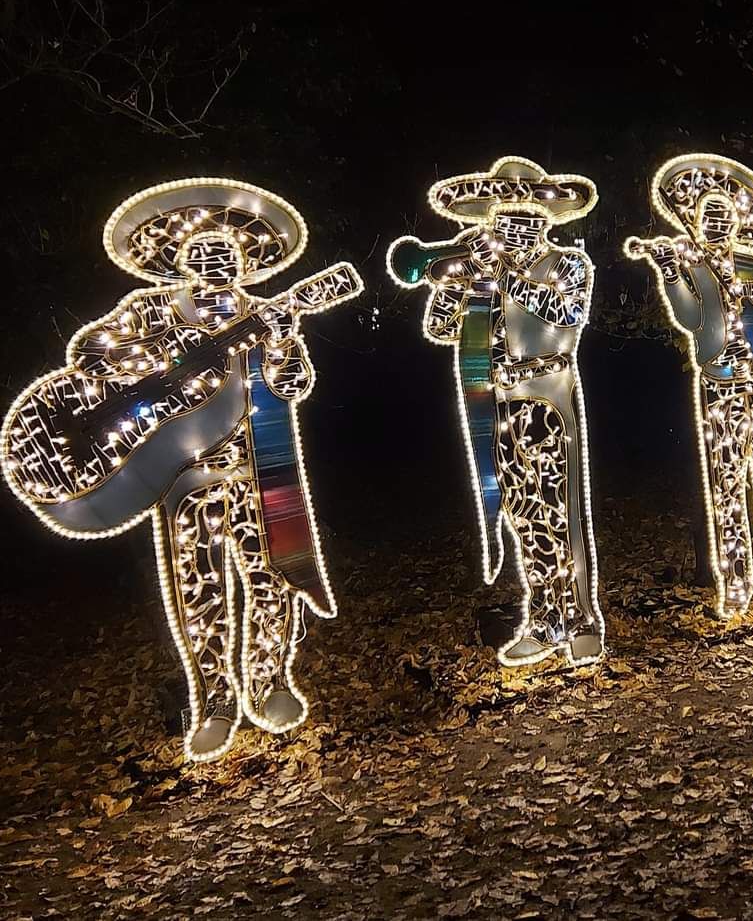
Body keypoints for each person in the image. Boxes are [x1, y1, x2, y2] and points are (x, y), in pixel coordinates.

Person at [2, 179, 361, 760]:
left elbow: (292, 388)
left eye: (226, 251)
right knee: (202, 592)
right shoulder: (150, 309)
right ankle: (215, 700)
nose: (215, 258)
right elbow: (88, 354)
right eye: (201, 252)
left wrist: (287, 341)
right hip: (181, 477)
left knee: (271, 582)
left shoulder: (262, 316)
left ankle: (268, 682)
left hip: (253, 468)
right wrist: (174, 354)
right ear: (181, 261)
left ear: (245, 262)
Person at [388, 157, 605, 667]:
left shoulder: (569, 264)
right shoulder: (483, 277)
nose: (513, 230)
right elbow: (444, 332)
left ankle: (581, 619)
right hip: (497, 401)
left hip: (547, 392)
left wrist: (506, 275)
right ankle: (545, 616)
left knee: (562, 511)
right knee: (524, 514)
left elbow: (567, 314)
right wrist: (446, 286)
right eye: (504, 222)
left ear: (544, 222)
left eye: (524, 221)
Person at [625, 154, 753, 616]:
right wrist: (669, 271)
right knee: (727, 486)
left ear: (735, 222)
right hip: (721, 387)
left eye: (722, 214)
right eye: (707, 214)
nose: (715, 221)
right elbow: (691, 318)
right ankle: (736, 579)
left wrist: (751, 290)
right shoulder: (693, 264)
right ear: (694, 221)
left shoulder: (750, 260)